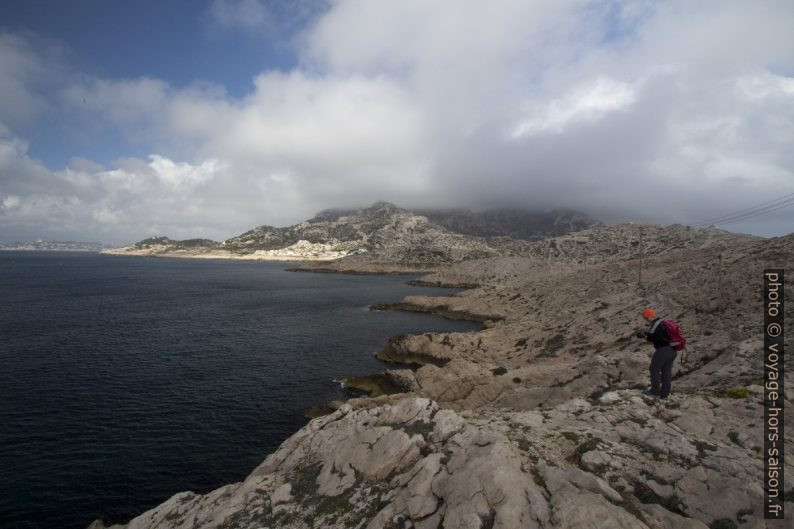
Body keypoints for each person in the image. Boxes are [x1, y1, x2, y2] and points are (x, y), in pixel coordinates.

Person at [638, 308, 677, 398]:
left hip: (663, 350)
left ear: (647, 316)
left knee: (654, 369)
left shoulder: (656, 324)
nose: (645, 319)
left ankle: (655, 391)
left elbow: (654, 338)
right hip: (672, 350)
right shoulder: (663, 322)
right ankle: (664, 395)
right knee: (666, 372)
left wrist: (646, 337)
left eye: (645, 317)